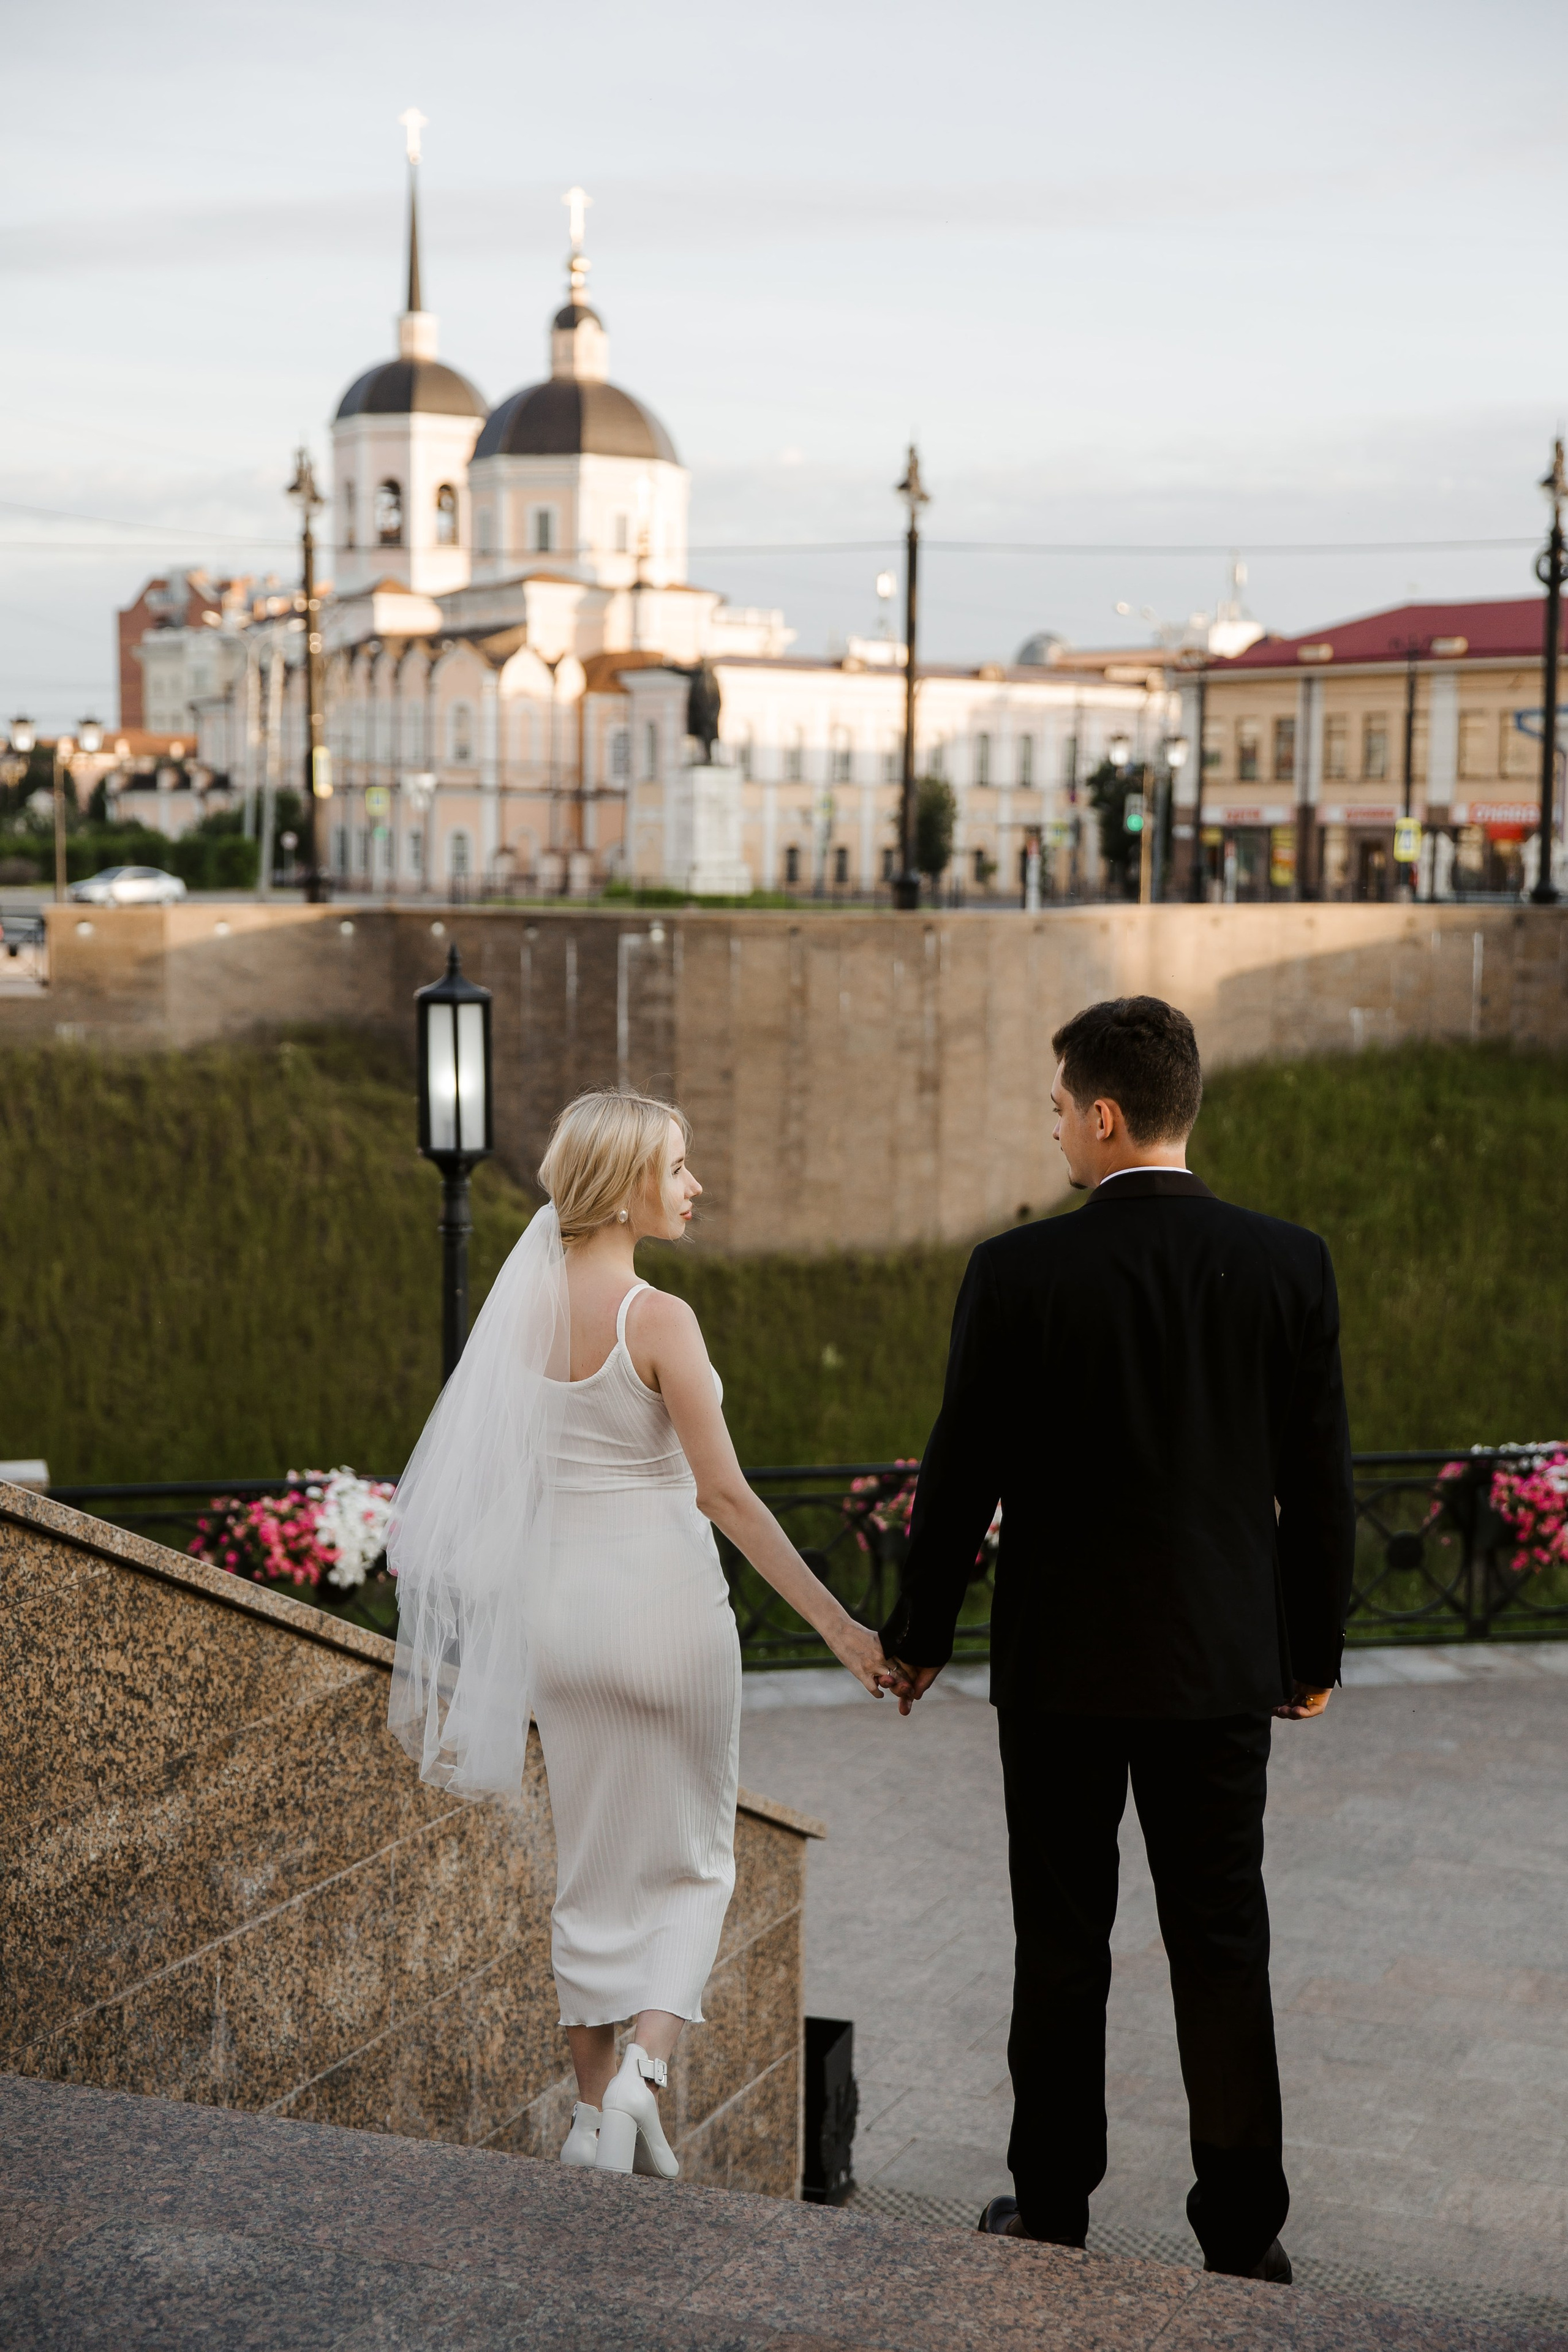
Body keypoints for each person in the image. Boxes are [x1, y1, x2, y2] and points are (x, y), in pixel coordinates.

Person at [881, 997, 1355, 2282]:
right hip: (1214, 1673)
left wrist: (917, 1638)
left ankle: (1049, 2207)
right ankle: (1244, 2236)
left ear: (1101, 1115)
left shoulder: (1016, 1273)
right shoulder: (1284, 1264)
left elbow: (957, 1478)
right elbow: (1319, 1489)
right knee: (1221, 1948)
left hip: (1061, 1676)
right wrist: (1308, 1657)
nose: (1052, 1135)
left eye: (1055, 1113)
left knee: (1060, 1943)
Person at [389, 1089, 889, 2179]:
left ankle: (587, 2118)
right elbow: (728, 1498)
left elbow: (496, 1482)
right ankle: (642, 2076)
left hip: (564, 1631)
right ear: (625, 1186)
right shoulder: (658, 1318)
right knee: (696, 1862)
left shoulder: (517, 1313)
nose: (694, 1184)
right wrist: (845, 1629)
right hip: (667, 1625)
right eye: (677, 1166)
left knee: (593, 1872)